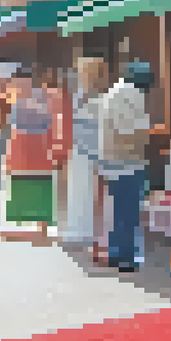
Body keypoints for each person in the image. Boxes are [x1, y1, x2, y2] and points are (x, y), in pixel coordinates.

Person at [96, 62, 156, 271]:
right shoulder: (129, 95)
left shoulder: (115, 93)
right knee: (129, 213)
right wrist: (150, 131)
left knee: (118, 212)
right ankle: (127, 258)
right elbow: (128, 130)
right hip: (127, 163)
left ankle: (116, 253)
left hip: (113, 162)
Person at [4, 73, 69, 240]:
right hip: (26, 154)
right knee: (26, 187)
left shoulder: (44, 100)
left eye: (20, 84)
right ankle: (29, 226)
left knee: (40, 187)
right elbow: (14, 133)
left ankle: (41, 226)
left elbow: (53, 125)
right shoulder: (18, 103)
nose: (18, 87)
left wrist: (56, 148)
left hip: (39, 153)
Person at [61, 57, 112, 248]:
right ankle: (82, 230)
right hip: (83, 147)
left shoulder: (98, 97)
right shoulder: (83, 95)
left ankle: (88, 231)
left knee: (90, 190)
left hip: (91, 147)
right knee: (82, 189)